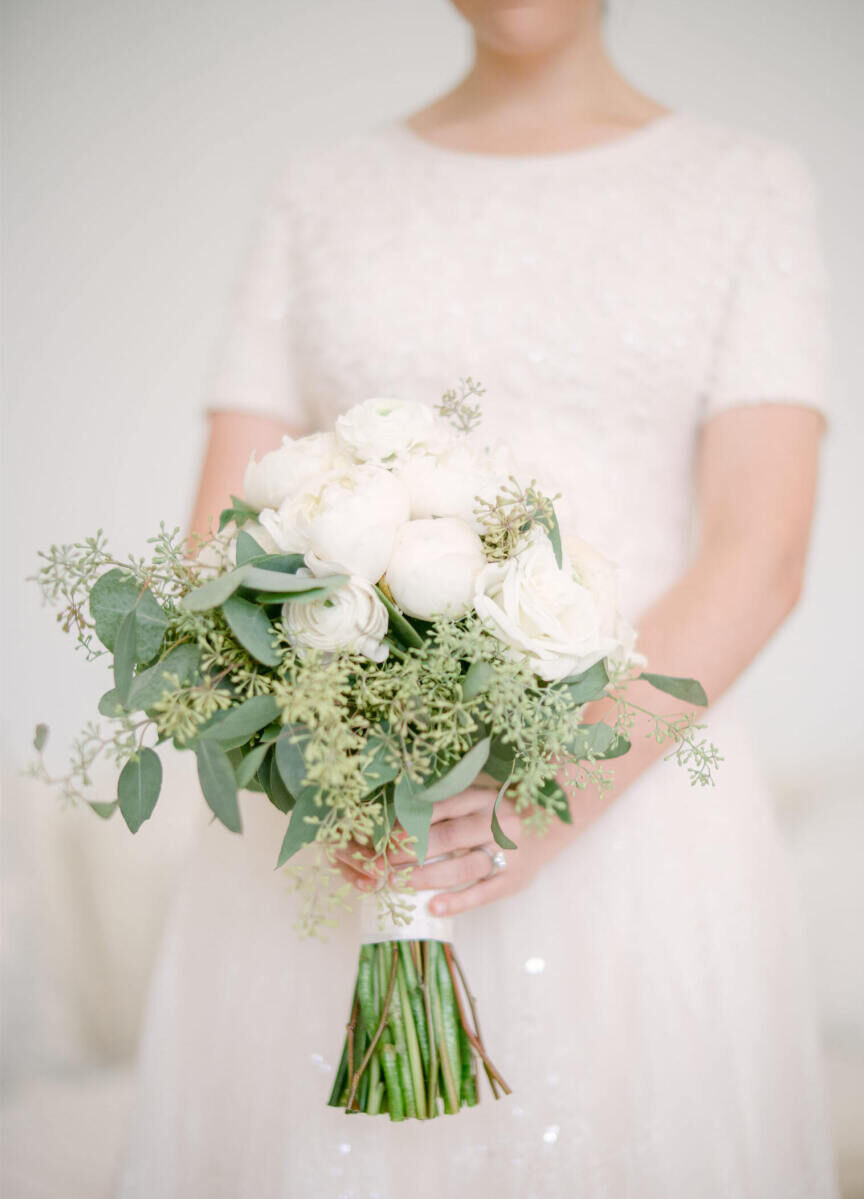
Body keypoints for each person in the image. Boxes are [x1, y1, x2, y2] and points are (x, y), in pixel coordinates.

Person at [117, 1, 839, 1194]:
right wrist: (323, 768)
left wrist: (555, 795)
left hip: (634, 814)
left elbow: (760, 550)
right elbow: (217, 545)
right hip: (336, 825)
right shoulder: (319, 190)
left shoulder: (746, 187)